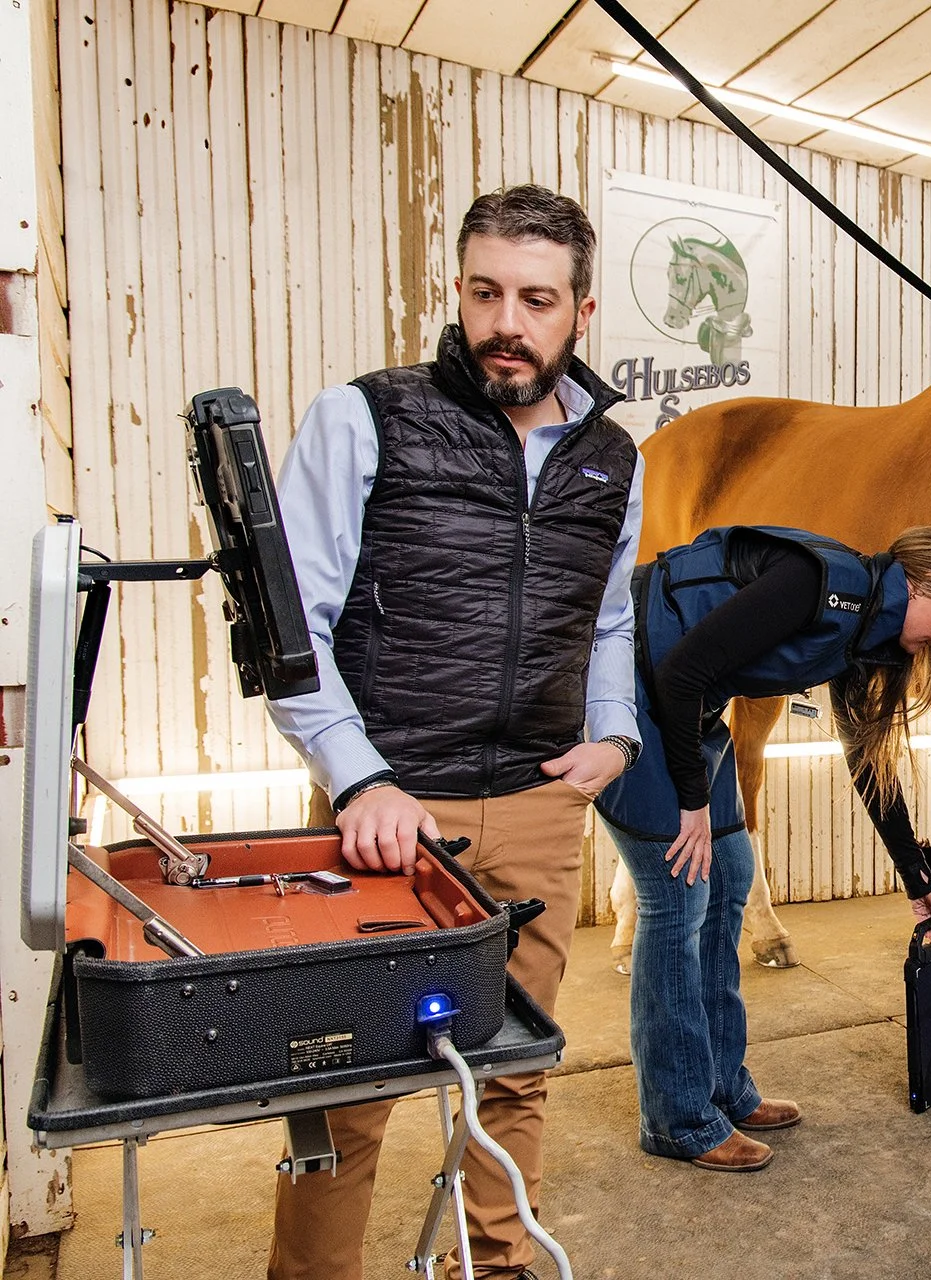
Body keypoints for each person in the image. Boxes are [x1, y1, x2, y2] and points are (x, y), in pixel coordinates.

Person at [265, 185, 645, 1280]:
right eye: (485, 292)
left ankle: (498, 1260)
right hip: (394, 811)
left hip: (536, 802)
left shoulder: (612, 455)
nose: (505, 323)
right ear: (461, 290)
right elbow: (294, 628)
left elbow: (609, 616)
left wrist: (611, 737)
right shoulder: (364, 415)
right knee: (349, 1082)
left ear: (579, 309)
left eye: (535, 298)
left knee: (515, 1063)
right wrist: (356, 781)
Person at [595, 524, 931, 1171]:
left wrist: (917, 879)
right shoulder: (816, 584)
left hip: (688, 707)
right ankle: (677, 1117)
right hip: (633, 687)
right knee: (677, 898)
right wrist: (692, 801)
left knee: (730, 874)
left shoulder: (867, 635)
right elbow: (681, 670)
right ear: (919, 585)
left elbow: (870, 765)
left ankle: (721, 1085)